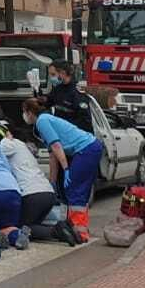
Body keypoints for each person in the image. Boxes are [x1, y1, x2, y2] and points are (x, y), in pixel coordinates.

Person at [23, 97, 102, 243]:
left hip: (85, 149)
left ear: (29, 112)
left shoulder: (42, 121)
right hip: (90, 148)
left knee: (75, 191)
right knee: (76, 192)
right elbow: (53, 156)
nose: (24, 116)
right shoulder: (46, 120)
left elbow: (57, 146)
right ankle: (77, 228)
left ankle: (79, 232)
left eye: (24, 112)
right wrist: (52, 182)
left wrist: (66, 169)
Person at [45, 61, 89, 125]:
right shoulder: (57, 89)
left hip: (72, 131)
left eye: (53, 74)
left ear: (63, 73)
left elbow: (85, 120)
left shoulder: (77, 92)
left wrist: (67, 127)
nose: (51, 78)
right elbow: (48, 102)